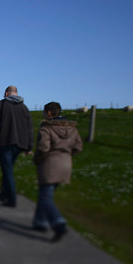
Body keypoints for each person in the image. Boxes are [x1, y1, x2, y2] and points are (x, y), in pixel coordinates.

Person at [33, 102, 82, 242]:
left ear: (48, 113)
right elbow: (78, 146)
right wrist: (67, 154)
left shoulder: (47, 128)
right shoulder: (72, 129)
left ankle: (58, 222)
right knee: (46, 193)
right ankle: (40, 221)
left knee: (45, 196)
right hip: (66, 163)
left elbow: (43, 148)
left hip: (50, 163)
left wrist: (37, 159)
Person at [0, 85, 33, 207]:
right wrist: (29, 146)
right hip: (20, 143)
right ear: (16, 93)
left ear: (6, 93)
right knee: (8, 168)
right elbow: (29, 128)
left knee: (7, 170)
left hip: (4, 141)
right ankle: (4, 193)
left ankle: (11, 198)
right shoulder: (24, 108)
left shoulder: (0, 105)